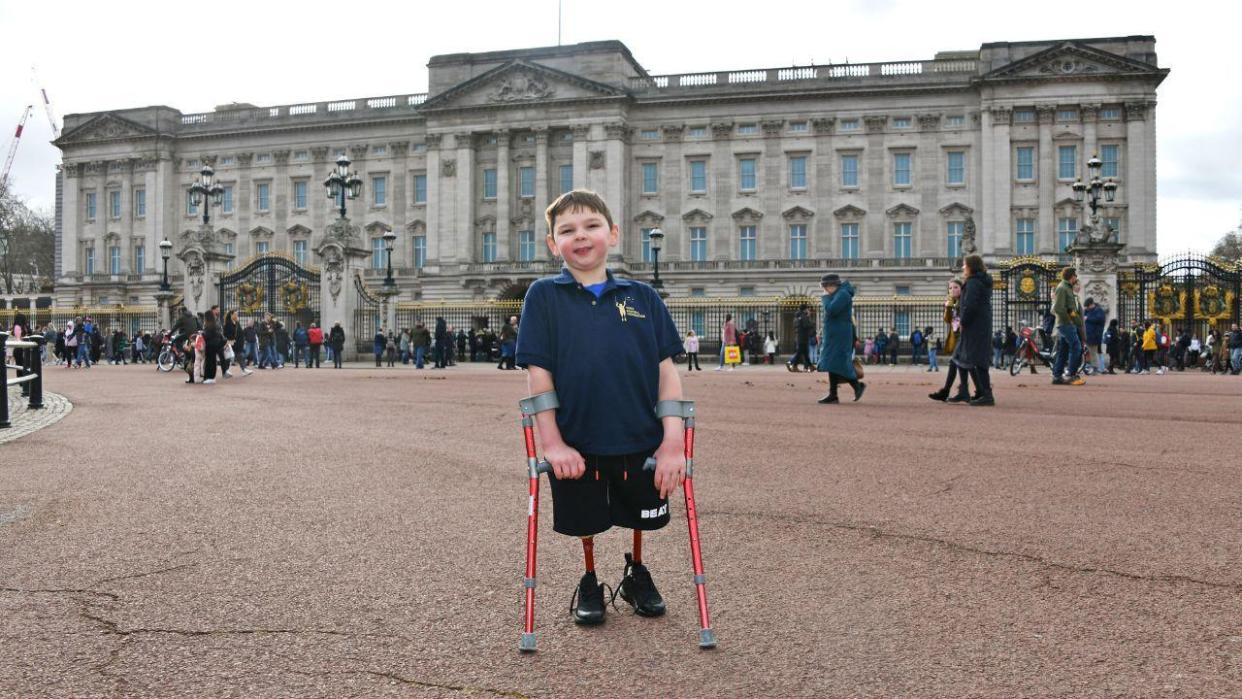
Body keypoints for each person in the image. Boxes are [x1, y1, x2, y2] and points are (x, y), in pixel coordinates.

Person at [516, 189, 685, 626]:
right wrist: (551, 444)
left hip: (638, 431)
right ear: (554, 245)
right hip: (577, 436)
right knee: (585, 515)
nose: (581, 236)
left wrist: (673, 443)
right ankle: (590, 576)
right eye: (567, 230)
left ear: (611, 234)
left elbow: (667, 372)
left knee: (641, 512)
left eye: (591, 226)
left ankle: (636, 571)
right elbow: (539, 374)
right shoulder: (542, 296)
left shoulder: (643, 297)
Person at [815, 273, 865, 404]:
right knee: (832, 362)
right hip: (834, 335)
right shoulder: (838, 294)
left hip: (840, 335)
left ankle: (857, 386)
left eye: (825, 287)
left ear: (831, 285)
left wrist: (825, 298)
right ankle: (833, 394)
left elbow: (831, 310)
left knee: (839, 363)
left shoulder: (843, 294)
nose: (825, 290)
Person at [954, 255, 995, 406]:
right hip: (981, 325)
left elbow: (970, 306)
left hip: (974, 326)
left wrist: (963, 322)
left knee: (977, 361)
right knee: (974, 359)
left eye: (965, 265)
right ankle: (980, 392)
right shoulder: (981, 281)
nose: (963, 268)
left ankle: (986, 394)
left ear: (971, 266)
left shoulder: (973, 283)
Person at [929, 278, 974, 402]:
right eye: (950, 288)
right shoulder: (952, 302)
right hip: (956, 337)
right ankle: (965, 391)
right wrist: (948, 307)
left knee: (958, 363)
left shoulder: (963, 301)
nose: (952, 290)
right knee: (959, 364)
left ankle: (951, 391)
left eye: (955, 287)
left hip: (964, 337)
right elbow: (948, 320)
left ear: (961, 289)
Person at [1050, 267, 1085, 386]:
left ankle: (1057, 376)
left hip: (1068, 323)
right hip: (1065, 324)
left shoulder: (1067, 288)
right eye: (1075, 275)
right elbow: (1058, 308)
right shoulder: (1062, 288)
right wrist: (1070, 320)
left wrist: (1077, 321)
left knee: (1063, 351)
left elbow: (1070, 309)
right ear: (1072, 276)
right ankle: (1070, 374)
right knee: (1076, 347)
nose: (1076, 277)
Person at [787, 304, 814, 372]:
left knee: (805, 353)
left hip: (799, 336)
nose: (808, 310)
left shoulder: (797, 316)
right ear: (805, 309)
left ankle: (810, 366)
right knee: (800, 352)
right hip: (803, 337)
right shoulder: (803, 316)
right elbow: (807, 325)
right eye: (807, 309)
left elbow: (796, 326)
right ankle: (791, 363)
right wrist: (809, 318)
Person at [1083, 298, 1107, 374]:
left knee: (1093, 352)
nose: (1086, 308)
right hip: (1088, 335)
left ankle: (1095, 368)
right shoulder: (1088, 311)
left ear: (1091, 304)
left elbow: (1099, 319)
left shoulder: (1099, 311)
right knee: (1088, 352)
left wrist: (1087, 318)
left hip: (1095, 335)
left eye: (1087, 306)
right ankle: (1089, 367)